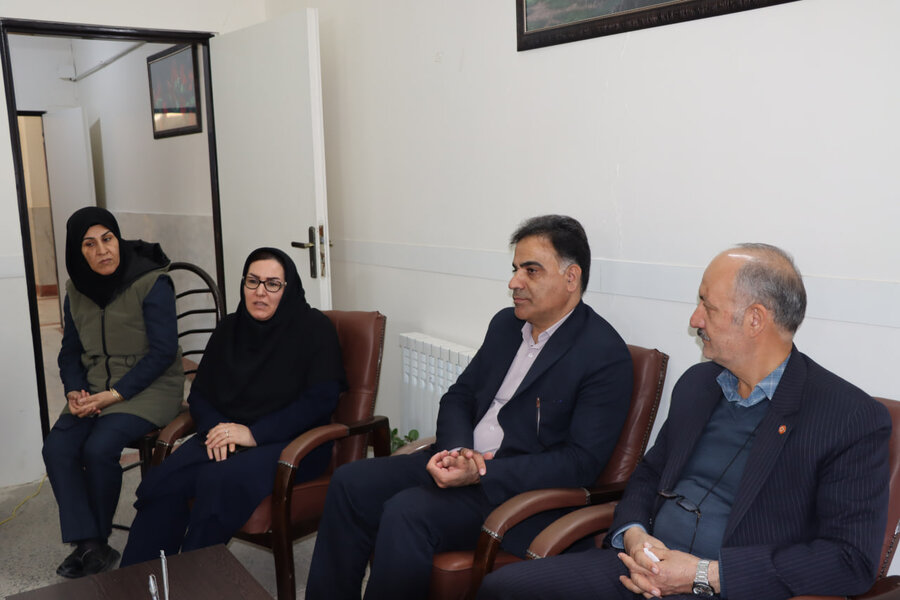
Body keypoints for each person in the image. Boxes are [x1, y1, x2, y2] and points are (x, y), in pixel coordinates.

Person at [477, 243, 891, 600]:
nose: (695, 320)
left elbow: (850, 560)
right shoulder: (699, 385)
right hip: (641, 570)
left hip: (727, 588)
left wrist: (703, 574)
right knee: (504, 589)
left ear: (755, 319)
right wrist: (634, 535)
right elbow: (648, 474)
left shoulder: (848, 418)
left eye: (708, 306)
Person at [306, 214, 634, 600]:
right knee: (350, 482)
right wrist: (459, 451)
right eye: (515, 269)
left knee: (407, 511)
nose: (514, 282)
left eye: (531, 271)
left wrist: (480, 472)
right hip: (464, 462)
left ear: (571, 277)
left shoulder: (603, 354)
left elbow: (580, 463)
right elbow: (459, 396)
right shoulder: (506, 326)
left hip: (516, 494)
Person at [120, 247, 344, 565]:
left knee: (219, 482)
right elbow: (200, 395)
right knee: (165, 481)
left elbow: (320, 402)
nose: (260, 292)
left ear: (288, 287)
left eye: (272, 284)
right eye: (252, 281)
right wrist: (218, 429)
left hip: (292, 442)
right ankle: (140, 580)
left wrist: (252, 434)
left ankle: (193, 579)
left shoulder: (314, 330)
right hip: (225, 435)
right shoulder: (229, 328)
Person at [41, 206, 185, 578]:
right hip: (94, 387)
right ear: (78, 252)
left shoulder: (152, 282)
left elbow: (163, 352)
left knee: (99, 447)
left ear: (118, 239)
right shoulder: (77, 290)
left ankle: (94, 540)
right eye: (89, 244)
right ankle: (91, 544)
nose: (102, 250)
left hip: (150, 386)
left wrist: (115, 394)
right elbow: (70, 351)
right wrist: (74, 390)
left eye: (108, 239)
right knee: (57, 448)